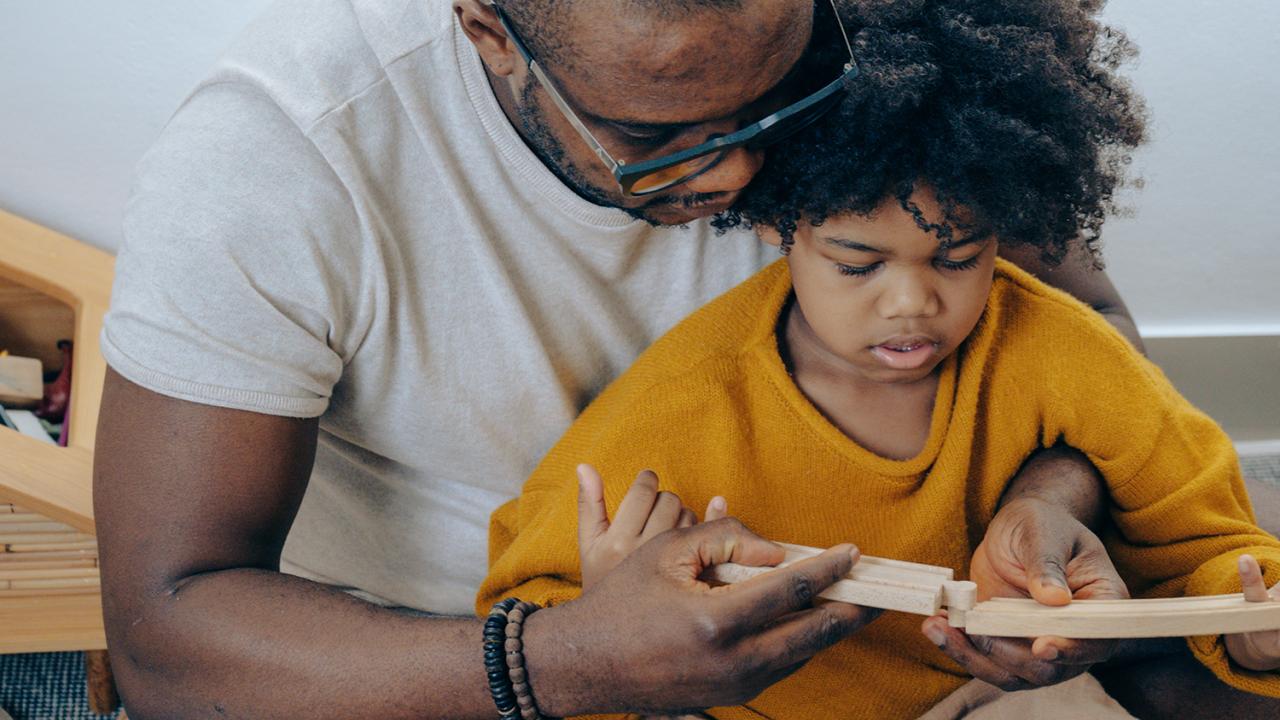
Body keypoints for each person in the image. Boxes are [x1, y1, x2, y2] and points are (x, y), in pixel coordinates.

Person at [95, 0, 1144, 717]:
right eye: (658, 139)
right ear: (487, 32)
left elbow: (1090, 336)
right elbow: (166, 636)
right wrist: (563, 662)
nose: (741, 173)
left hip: (900, 659)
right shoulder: (284, 156)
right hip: (460, 665)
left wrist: (1048, 505)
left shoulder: (884, 35)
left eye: (781, 94)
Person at [477, 0, 1280, 717]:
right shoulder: (682, 399)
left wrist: (1249, 633)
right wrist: (600, 603)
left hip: (985, 695)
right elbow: (530, 600)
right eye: (857, 265)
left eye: (958, 257)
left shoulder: (1062, 350)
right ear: (773, 224)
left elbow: (1210, 544)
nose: (911, 303)